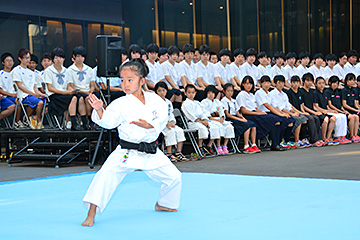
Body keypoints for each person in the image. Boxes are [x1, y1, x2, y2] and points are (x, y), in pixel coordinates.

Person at [82, 58, 182, 227]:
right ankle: (91, 213)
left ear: (142, 81)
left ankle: (164, 204)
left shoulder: (155, 99)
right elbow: (108, 122)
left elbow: (163, 115)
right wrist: (100, 110)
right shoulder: (120, 104)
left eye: (130, 80)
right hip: (128, 151)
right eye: (122, 80)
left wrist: (150, 125)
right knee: (104, 176)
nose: (125, 84)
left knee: (174, 177)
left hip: (151, 151)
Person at [236, 75, 284, 151]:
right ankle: (274, 144)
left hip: (255, 113)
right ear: (243, 84)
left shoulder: (251, 95)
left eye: (250, 84)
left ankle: (277, 143)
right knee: (274, 120)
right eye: (247, 84)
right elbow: (243, 110)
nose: (249, 86)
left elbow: (255, 108)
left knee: (278, 119)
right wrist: (259, 113)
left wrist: (261, 112)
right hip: (249, 115)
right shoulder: (242, 94)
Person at [44, 47, 81, 130]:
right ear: (53, 59)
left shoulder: (66, 70)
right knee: (73, 98)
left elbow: (68, 86)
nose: (58, 60)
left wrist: (72, 90)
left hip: (65, 95)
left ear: (63, 59)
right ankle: (72, 121)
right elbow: (50, 88)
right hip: (54, 96)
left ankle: (75, 122)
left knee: (78, 97)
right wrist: (66, 93)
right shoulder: (48, 71)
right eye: (56, 58)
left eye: (60, 57)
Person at [255, 75, 296, 149]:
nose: (267, 85)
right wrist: (280, 114)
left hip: (270, 112)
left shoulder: (268, 94)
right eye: (264, 83)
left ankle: (280, 142)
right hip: (262, 114)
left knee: (289, 120)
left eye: (268, 83)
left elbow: (274, 106)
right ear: (261, 83)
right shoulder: (259, 93)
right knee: (277, 120)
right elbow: (268, 106)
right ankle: (274, 144)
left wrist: (282, 114)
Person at [181, 84, 221, 156]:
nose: (191, 94)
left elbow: (203, 113)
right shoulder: (185, 104)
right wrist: (201, 121)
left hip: (201, 121)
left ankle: (209, 146)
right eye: (189, 92)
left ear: (195, 93)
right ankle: (200, 146)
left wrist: (205, 119)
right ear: (185, 93)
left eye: (193, 93)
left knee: (214, 126)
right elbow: (191, 116)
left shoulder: (197, 103)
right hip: (192, 123)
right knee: (202, 128)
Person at [269, 75, 308, 148]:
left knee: (303, 118)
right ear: (275, 83)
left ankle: (298, 139)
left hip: (286, 112)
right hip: (279, 113)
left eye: (282, 83)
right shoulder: (272, 94)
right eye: (278, 83)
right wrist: (290, 113)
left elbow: (288, 106)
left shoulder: (284, 94)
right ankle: (288, 140)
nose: (281, 85)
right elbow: (278, 108)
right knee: (294, 120)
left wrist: (294, 112)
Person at [154, 82, 189, 162]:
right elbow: (156, 115)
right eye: (159, 91)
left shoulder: (168, 102)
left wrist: (172, 122)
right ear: (156, 92)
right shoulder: (154, 103)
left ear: (166, 91)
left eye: (163, 90)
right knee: (170, 132)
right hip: (160, 125)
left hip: (169, 123)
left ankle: (178, 152)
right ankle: (169, 153)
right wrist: (165, 123)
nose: (161, 93)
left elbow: (170, 114)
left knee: (179, 130)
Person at [11, 48, 45, 129]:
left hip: (31, 95)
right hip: (23, 96)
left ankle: (28, 119)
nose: (28, 60)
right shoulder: (16, 70)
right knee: (39, 103)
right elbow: (20, 86)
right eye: (25, 58)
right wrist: (33, 94)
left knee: (45, 100)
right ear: (20, 58)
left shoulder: (30, 72)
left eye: (28, 58)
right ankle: (38, 120)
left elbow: (33, 86)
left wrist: (40, 94)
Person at [221, 83, 259, 153]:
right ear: (224, 91)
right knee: (246, 126)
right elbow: (228, 114)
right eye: (228, 91)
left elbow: (237, 112)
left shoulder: (233, 100)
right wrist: (239, 119)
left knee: (252, 124)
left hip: (236, 117)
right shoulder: (224, 101)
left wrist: (242, 118)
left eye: (231, 91)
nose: (230, 93)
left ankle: (253, 144)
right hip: (230, 119)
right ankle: (246, 146)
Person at [67, 46, 95, 130]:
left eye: (82, 56)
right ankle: (83, 121)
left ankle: (89, 121)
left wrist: (91, 91)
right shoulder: (70, 70)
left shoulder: (89, 69)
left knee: (89, 99)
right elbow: (71, 85)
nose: (80, 58)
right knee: (82, 99)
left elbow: (92, 84)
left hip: (88, 91)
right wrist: (85, 92)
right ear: (74, 57)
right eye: (78, 56)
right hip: (78, 91)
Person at [201, 85, 235, 154]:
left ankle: (225, 145)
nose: (211, 95)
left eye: (213, 93)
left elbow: (221, 111)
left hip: (219, 119)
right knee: (218, 127)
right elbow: (206, 115)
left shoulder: (217, 102)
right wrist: (216, 120)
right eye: (209, 93)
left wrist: (222, 117)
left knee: (229, 127)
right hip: (211, 120)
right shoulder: (204, 102)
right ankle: (218, 145)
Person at [314, 76, 347, 145]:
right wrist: (323, 111)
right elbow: (316, 106)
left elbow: (327, 106)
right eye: (319, 83)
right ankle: (324, 138)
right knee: (326, 119)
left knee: (335, 118)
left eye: (323, 83)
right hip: (320, 112)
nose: (321, 85)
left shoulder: (324, 93)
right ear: (316, 84)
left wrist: (332, 111)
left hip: (326, 111)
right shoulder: (315, 93)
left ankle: (330, 137)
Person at [285, 75, 317, 147]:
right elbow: (290, 105)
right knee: (302, 119)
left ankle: (303, 139)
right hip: (292, 112)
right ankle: (297, 140)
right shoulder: (288, 92)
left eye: (297, 82)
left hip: (299, 111)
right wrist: (300, 112)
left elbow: (301, 104)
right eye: (294, 82)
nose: (296, 84)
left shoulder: (299, 92)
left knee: (305, 118)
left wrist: (303, 112)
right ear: (291, 83)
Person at [299, 73, 326, 146]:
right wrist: (313, 112)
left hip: (311, 111)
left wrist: (318, 111)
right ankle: (314, 140)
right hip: (304, 111)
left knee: (317, 118)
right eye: (307, 80)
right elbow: (303, 106)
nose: (309, 82)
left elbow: (313, 105)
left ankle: (319, 139)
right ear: (303, 81)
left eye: (311, 81)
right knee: (311, 118)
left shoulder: (312, 91)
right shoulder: (300, 91)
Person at [325, 76, 353, 143]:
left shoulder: (338, 92)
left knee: (343, 116)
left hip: (338, 111)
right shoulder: (327, 91)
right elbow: (330, 105)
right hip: (331, 111)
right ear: (329, 83)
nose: (335, 85)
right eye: (333, 83)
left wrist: (343, 110)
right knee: (339, 117)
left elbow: (340, 104)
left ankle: (342, 136)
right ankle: (337, 136)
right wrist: (339, 111)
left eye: (337, 83)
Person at [0, 53, 20, 126]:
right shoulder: (1, 74)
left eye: (11, 61)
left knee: (19, 101)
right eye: (7, 61)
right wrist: (11, 94)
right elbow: (0, 90)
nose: (9, 63)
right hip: (5, 96)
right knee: (15, 105)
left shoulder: (15, 73)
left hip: (15, 96)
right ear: (3, 63)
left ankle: (17, 122)